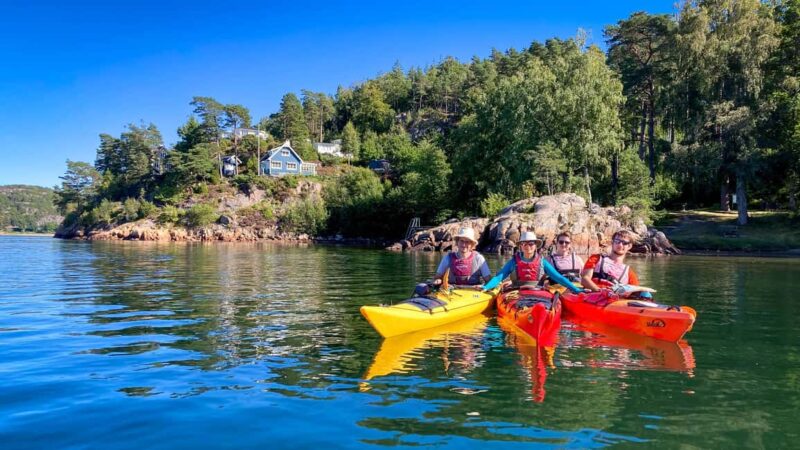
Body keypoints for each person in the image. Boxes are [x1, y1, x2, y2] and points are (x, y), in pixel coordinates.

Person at [483, 231, 583, 294]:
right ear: (521, 246)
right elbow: (499, 277)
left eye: (531, 244)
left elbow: (559, 278)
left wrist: (576, 289)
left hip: (537, 293)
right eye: (524, 244)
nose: (528, 247)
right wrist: (486, 287)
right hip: (517, 292)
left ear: (535, 246)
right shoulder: (513, 261)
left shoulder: (543, 262)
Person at [581, 229, 650, 297]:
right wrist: (600, 291)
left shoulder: (629, 272)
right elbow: (584, 279)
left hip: (615, 301)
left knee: (646, 294)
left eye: (624, 243)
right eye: (617, 241)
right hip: (593, 296)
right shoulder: (596, 259)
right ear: (612, 242)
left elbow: (635, 291)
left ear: (629, 246)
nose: (620, 245)